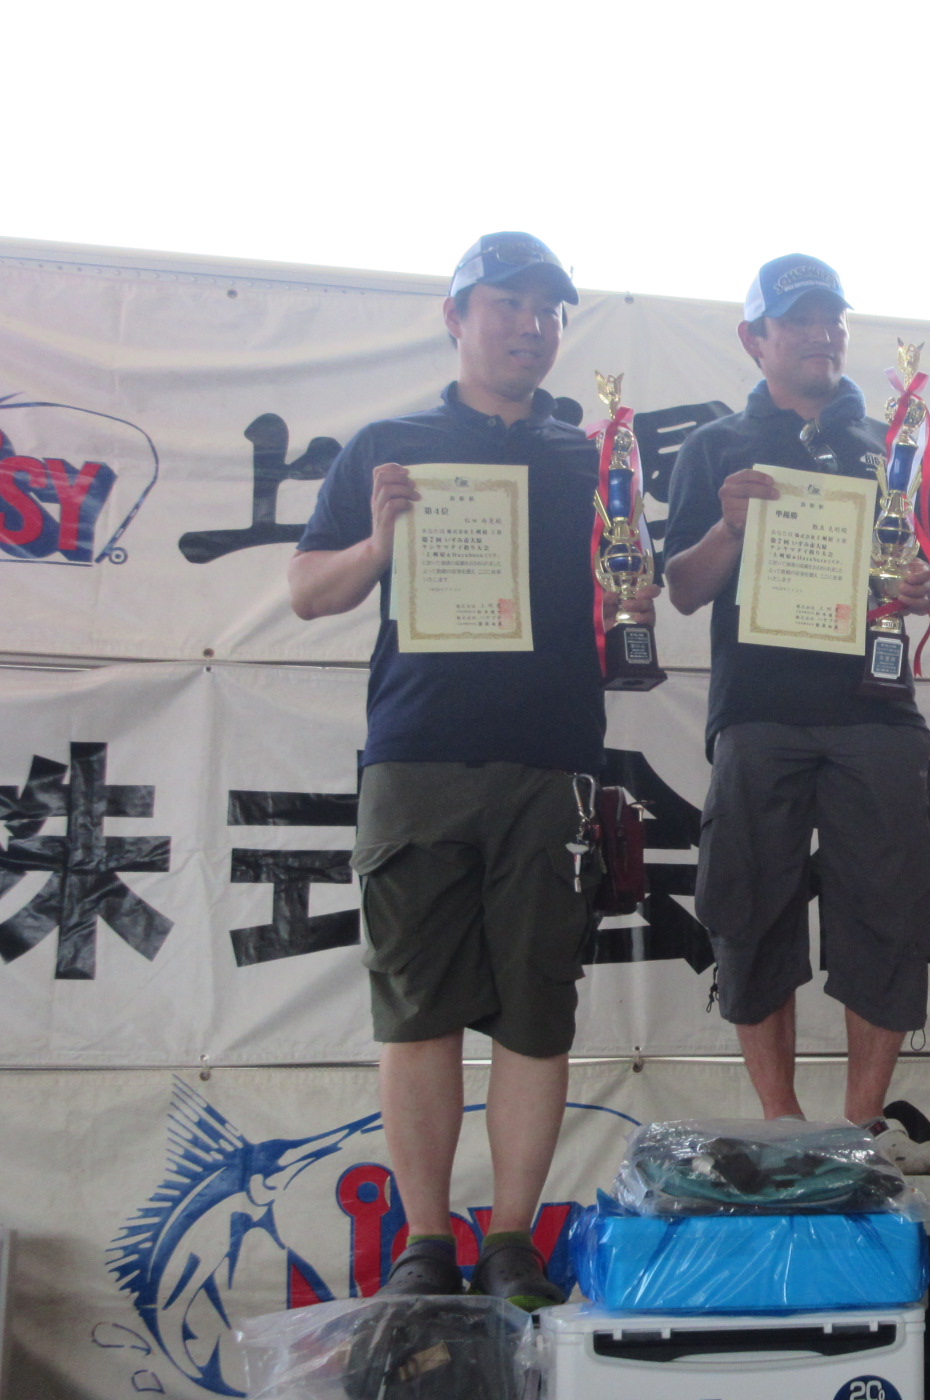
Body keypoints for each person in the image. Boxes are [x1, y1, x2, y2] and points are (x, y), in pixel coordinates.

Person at [289, 232, 639, 1306]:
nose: (532, 326)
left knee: (538, 1009)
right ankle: (426, 1243)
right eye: (508, 304)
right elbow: (307, 591)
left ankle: (514, 1240)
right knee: (417, 1009)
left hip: (553, 759)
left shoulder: (594, 457)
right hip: (418, 757)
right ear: (456, 316)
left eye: (549, 310)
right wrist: (375, 547)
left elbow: (632, 592)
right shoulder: (390, 447)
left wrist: (634, 580)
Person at [664, 254, 930, 1175]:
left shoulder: (890, 441)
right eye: (797, 319)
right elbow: (680, 588)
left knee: (890, 914)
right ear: (755, 338)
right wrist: (728, 527)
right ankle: (783, 1123)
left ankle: (860, 1127)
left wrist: (926, 585)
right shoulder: (715, 446)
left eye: (832, 317)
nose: (821, 333)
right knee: (748, 908)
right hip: (759, 711)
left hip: (877, 711)